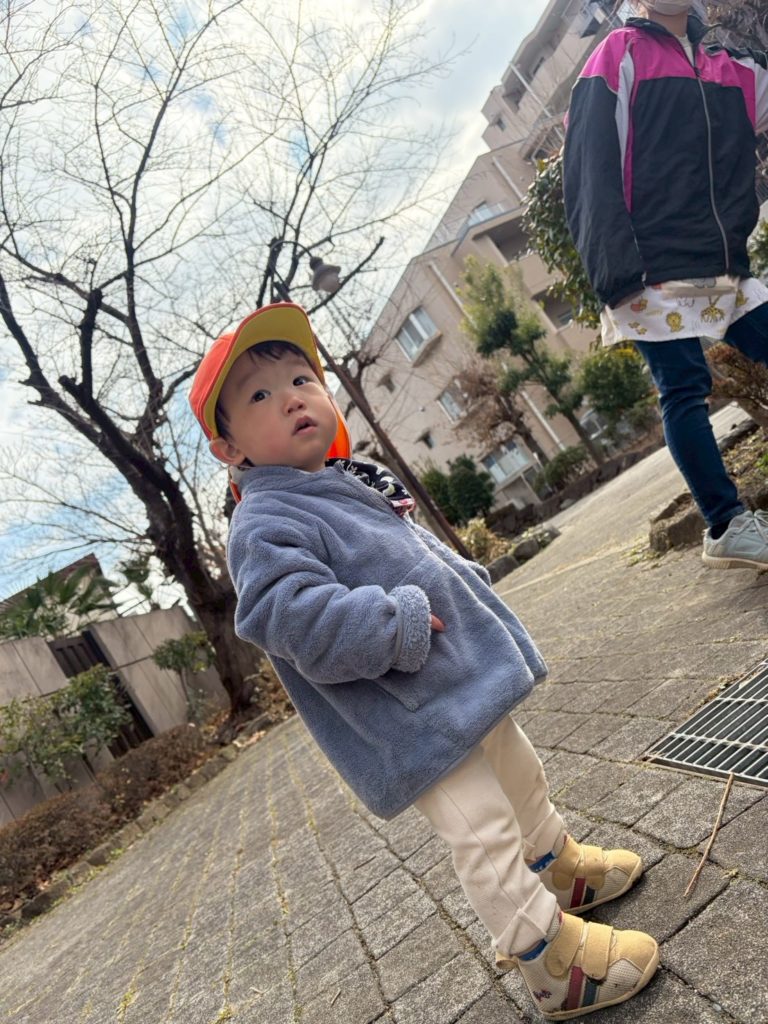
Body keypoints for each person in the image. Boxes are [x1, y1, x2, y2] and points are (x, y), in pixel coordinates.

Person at [189, 301, 659, 1020]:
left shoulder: (346, 478)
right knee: (482, 828)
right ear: (230, 450)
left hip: (459, 678)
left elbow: (415, 551)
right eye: (258, 395)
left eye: (301, 379)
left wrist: (462, 578)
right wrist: (394, 621)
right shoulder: (264, 521)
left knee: (520, 775)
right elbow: (287, 615)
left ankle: (559, 868)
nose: (291, 398)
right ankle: (549, 961)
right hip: (410, 714)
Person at [563, 0, 768, 569]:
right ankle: (727, 524)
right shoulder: (618, 54)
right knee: (683, 387)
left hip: (720, 258)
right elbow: (588, 165)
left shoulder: (731, 66)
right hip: (649, 263)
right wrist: (613, 269)